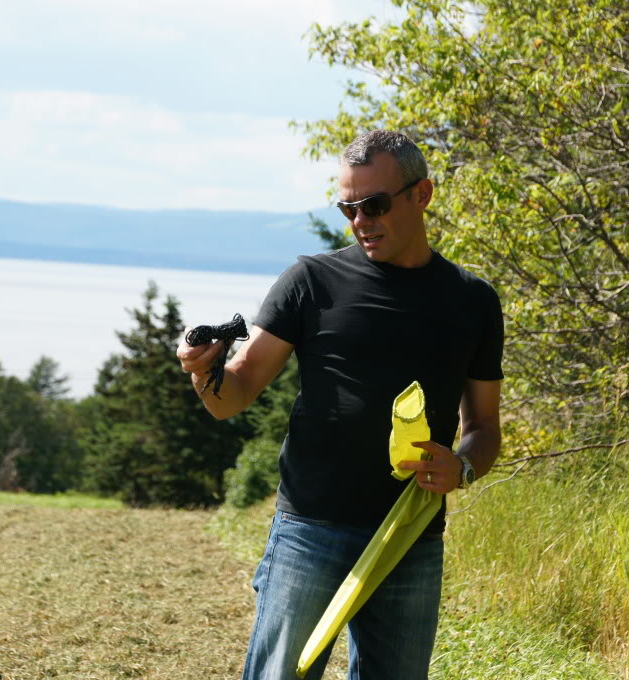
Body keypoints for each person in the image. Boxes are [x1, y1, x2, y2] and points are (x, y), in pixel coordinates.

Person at [177, 130, 503, 680]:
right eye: (348, 207)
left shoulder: (473, 301)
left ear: (421, 195)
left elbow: (485, 428)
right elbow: (233, 395)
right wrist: (203, 368)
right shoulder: (311, 281)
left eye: (373, 204)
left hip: (409, 533)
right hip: (310, 529)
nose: (360, 221)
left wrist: (463, 465)